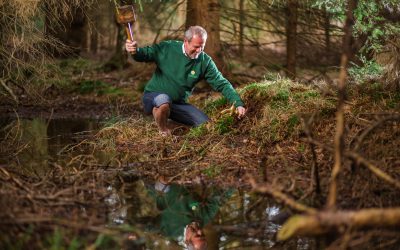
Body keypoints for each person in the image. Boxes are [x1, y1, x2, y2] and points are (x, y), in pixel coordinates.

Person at [125, 25, 246, 135]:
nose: (199, 51)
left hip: (177, 104)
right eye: (196, 46)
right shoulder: (167, 47)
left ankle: (171, 121)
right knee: (163, 100)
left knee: (206, 125)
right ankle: (163, 130)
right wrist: (135, 51)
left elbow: (221, 83)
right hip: (153, 96)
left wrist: (238, 103)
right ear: (186, 42)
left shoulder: (205, 61)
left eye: (202, 46)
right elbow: (144, 54)